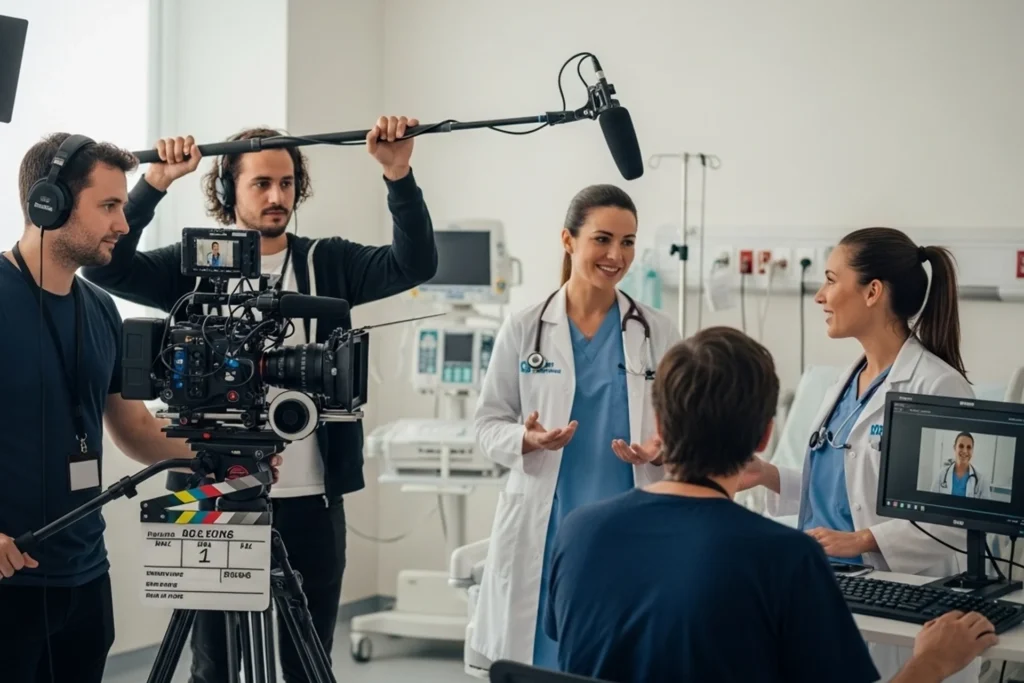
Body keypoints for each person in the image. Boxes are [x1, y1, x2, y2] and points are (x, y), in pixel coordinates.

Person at [80, 116, 437, 683]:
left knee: (308, 661)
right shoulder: (189, 268)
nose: (277, 196)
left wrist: (398, 175)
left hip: (312, 499)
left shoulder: (328, 262)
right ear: (228, 190)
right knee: (214, 668)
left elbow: (414, 265)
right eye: (261, 183)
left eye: (287, 183)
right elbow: (106, 266)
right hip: (211, 492)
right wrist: (154, 183)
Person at [543, 326, 999, 683]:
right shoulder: (783, 557)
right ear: (765, 434)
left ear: (659, 424)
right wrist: (933, 663)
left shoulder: (580, 531)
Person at [0, 132, 280, 683]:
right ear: (47, 203)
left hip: (84, 575)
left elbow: (134, 427)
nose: (123, 226)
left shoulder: (101, 309)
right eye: (107, 206)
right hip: (9, 576)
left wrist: (226, 454)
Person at [739, 227, 981, 681]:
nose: (820, 296)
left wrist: (864, 540)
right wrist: (770, 474)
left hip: (899, 598)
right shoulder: (846, 380)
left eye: (831, 280)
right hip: (830, 585)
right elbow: (839, 488)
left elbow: (953, 517)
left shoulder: (936, 386)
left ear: (872, 292)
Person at [470, 184, 679, 668]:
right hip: (549, 525)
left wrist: (660, 450)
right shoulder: (524, 327)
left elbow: (683, 430)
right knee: (545, 656)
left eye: (628, 242)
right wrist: (527, 438)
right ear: (568, 240)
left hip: (629, 521)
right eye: (602, 239)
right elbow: (486, 424)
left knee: (619, 657)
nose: (616, 255)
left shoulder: (658, 330)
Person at [932, 432, 990, 499]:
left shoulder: (981, 479)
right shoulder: (941, 475)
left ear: (972, 450)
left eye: (969, 447)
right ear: (954, 448)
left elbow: (986, 507)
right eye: (961, 446)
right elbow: (932, 500)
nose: (965, 451)